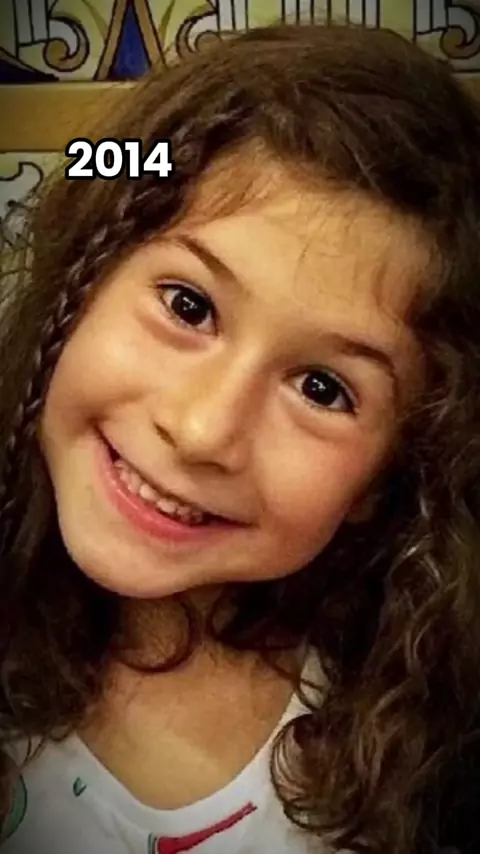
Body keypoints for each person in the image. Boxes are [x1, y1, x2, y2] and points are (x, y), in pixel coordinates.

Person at [0, 22, 479, 854]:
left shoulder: (433, 742)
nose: (202, 430)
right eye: (188, 306)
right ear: (80, 281)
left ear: (388, 477)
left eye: (322, 389)